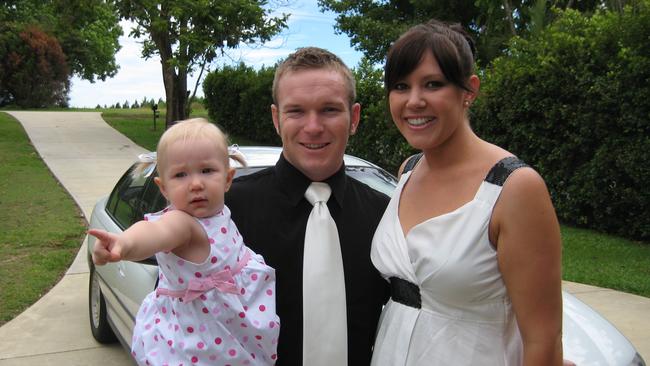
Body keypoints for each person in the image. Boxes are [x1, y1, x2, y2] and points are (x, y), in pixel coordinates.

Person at [369, 20, 564, 365]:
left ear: (469, 90)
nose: (414, 101)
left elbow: (543, 340)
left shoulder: (514, 188)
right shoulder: (408, 171)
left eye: (433, 84)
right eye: (401, 86)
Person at [225, 47, 390, 365]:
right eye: (296, 111)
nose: (313, 127)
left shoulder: (385, 216)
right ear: (276, 118)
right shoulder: (227, 212)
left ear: (353, 118)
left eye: (329, 110)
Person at [89, 118, 280, 366]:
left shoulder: (218, 215)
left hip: (230, 339)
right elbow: (153, 232)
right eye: (180, 175)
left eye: (207, 170)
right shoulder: (183, 224)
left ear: (228, 178)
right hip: (199, 346)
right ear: (164, 188)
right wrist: (123, 244)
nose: (196, 183)